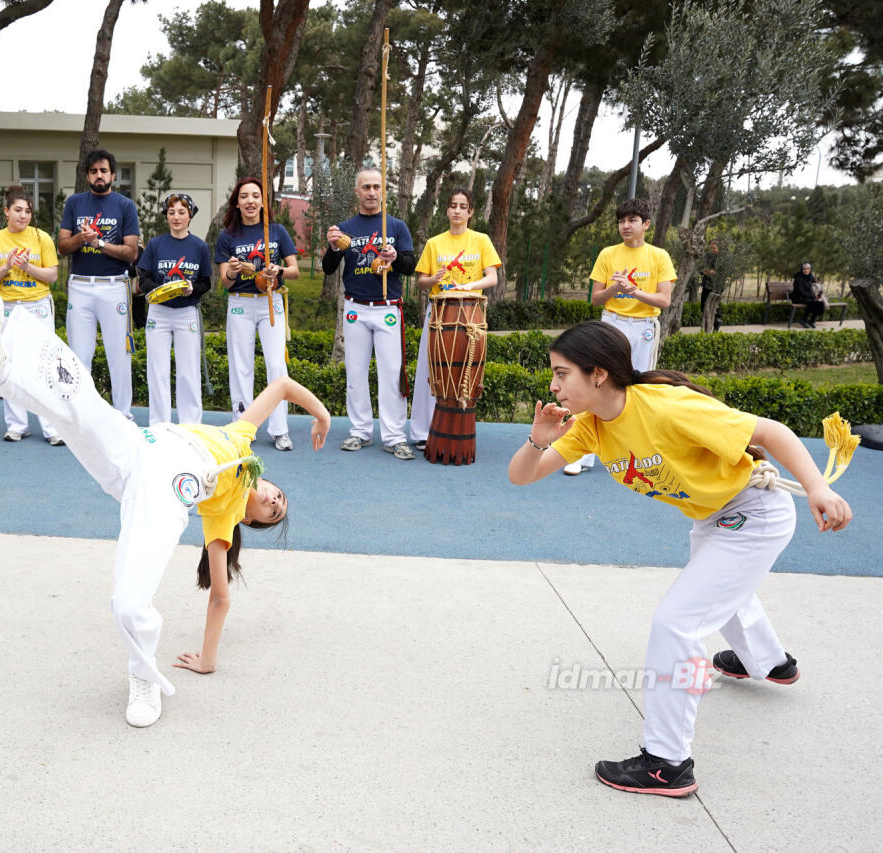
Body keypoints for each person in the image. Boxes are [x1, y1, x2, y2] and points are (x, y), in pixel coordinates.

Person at [0, 288, 330, 727]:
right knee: (80, 408)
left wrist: (207, 658)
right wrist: (321, 415)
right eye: (279, 496)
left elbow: (221, 597)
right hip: (140, 450)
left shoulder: (223, 517)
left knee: (128, 601)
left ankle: (143, 677)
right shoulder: (241, 437)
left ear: (250, 518)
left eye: (273, 512)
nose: (274, 501)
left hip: (165, 494)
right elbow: (280, 386)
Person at [508, 320, 852, 797]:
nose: (553, 385)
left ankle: (666, 762)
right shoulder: (591, 427)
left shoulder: (666, 407)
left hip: (754, 513)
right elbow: (522, 476)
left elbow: (771, 432)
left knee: (676, 623)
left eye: (562, 373)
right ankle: (770, 663)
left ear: (599, 374)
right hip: (714, 517)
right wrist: (539, 438)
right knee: (718, 591)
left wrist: (817, 487)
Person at [564, 197, 675, 476]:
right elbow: (596, 298)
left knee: (640, 388)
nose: (625, 226)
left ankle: (639, 456)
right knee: (596, 382)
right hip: (612, 323)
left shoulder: (659, 256)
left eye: (632, 221)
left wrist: (634, 291)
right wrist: (617, 287)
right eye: (622, 221)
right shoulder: (608, 254)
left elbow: (664, 300)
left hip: (644, 326)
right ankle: (582, 454)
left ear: (645, 224)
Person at [323, 168, 417, 459]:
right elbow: (328, 268)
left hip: (388, 307)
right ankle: (360, 431)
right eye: (366, 187)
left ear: (383, 191)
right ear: (357, 191)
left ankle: (394, 436)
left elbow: (410, 265)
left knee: (391, 374)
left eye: (377, 187)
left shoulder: (396, 226)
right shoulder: (345, 227)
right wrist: (332, 246)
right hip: (356, 308)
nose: (372, 192)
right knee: (356, 372)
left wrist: (395, 258)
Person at [408, 189, 501, 450]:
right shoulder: (435, 243)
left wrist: (467, 287)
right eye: (453, 205)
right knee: (430, 370)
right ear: (447, 210)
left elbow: (492, 277)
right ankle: (421, 432)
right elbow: (422, 282)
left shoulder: (481, 240)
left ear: (471, 212)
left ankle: (455, 430)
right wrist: (435, 280)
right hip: (439, 312)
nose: (457, 210)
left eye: (463, 206)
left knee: (465, 371)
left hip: (471, 313)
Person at [214, 177, 301, 450]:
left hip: (270, 301)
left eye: (255, 196)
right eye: (244, 196)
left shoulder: (275, 231)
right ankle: (243, 428)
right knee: (241, 366)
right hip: (240, 302)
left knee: (276, 364)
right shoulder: (227, 236)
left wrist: (279, 271)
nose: (250, 201)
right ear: (237, 203)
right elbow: (224, 282)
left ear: (263, 201)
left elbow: (295, 271)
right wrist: (233, 270)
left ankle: (280, 429)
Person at [58, 149, 140, 419]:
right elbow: (62, 247)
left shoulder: (125, 206)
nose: (99, 175)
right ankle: (81, 416)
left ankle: (122, 415)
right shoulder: (75, 204)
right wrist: (82, 239)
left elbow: (131, 253)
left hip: (114, 286)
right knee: (79, 356)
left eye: (104, 170)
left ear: (113, 175)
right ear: (87, 176)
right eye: (93, 171)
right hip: (81, 286)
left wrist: (100, 243)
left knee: (119, 355)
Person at [0, 185, 62, 444]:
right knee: (10, 366)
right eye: (17, 210)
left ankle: (51, 427)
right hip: (8, 308)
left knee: (43, 365)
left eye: (27, 211)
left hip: (37, 306)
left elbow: (52, 275)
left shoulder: (41, 238)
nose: (23, 216)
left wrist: (28, 267)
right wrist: (6, 266)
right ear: (6, 211)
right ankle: (16, 425)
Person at [136, 193, 213, 426]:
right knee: (157, 371)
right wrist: (164, 290)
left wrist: (192, 288)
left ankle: (191, 425)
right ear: (166, 216)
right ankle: (160, 425)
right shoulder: (156, 244)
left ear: (190, 215)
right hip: (158, 312)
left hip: (187, 312)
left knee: (188, 372)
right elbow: (143, 279)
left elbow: (206, 283)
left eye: (182, 212)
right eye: (171, 212)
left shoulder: (199, 246)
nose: (176, 217)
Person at [791, 262, 826, 329]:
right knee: (812, 303)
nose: (806, 270)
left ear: (810, 270)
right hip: (798, 297)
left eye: (808, 269)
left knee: (820, 303)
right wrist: (813, 296)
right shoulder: (798, 279)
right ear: (802, 269)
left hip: (808, 297)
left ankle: (812, 321)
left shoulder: (811, 277)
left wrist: (819, 294)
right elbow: (800, 292)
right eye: (804, 269)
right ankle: (803, 319)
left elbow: (817, 286)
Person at [698, 239, 723, 332]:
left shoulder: (722, 259)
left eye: (714, 248)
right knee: (703, 306)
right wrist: (709, 272)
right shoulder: (707, 257)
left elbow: (718, 273)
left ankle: (716, 329)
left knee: (715, 308)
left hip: (716, 287)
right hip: (706, 286)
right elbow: (700, 269)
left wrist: (707, 272)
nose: (712, 249)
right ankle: (706, 329)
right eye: (711, 247)